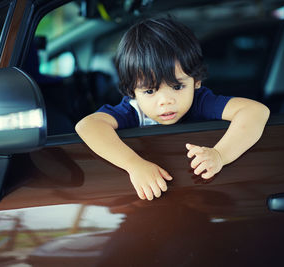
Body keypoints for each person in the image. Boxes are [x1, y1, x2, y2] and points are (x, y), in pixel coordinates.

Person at [75, 17, 270, 201]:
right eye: (150, 91)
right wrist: (134, 165)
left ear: (196, 81)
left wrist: (220, 155)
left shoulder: (199, 101)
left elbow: (256, 111)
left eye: (177, 87)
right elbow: (87, 126)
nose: (166, 101)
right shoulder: (134, 111)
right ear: (132, 91)